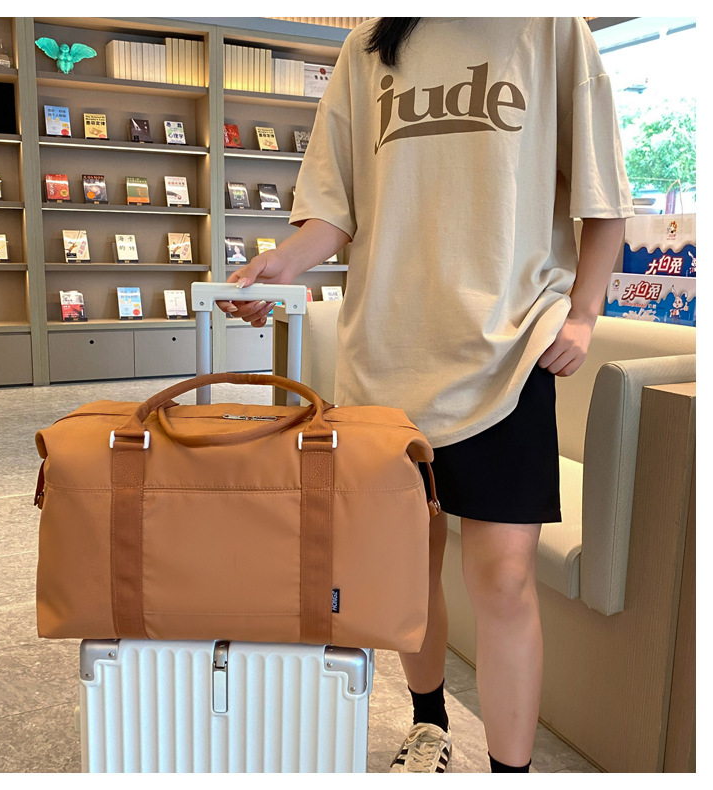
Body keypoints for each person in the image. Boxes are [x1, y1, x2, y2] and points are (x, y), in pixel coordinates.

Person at [218, 17, 633, 773]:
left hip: (512, 350)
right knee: (412, 569)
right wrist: (281, 265)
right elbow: (333, 208)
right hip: (387, 360)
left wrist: (584, 312)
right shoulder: (368, 46)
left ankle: (511, 773)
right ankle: (429, 725)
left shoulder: (550, 28)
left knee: (504, 579)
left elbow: (603, 191)